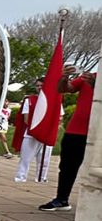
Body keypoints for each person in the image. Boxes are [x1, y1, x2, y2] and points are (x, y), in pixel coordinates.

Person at [40, 66, 95, 211]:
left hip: (98, 132)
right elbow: (64, 89)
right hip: (76, 131)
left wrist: (95, 85)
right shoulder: (90, 76)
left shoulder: (94, 80)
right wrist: (64, 77)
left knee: (95, 170)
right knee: (67, 167)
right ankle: (62, 199)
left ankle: (93, 203)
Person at [14, 79, 53, 183]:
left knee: (44, 159)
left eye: (42, 85)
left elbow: (58, 117)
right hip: (31, 133)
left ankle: (41, 178)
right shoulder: (29, 100)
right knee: (25, 157)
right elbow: (26, 118)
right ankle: (21, 177)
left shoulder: (53, 99)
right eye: (37, 86)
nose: (39, 87)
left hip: (47, 133)